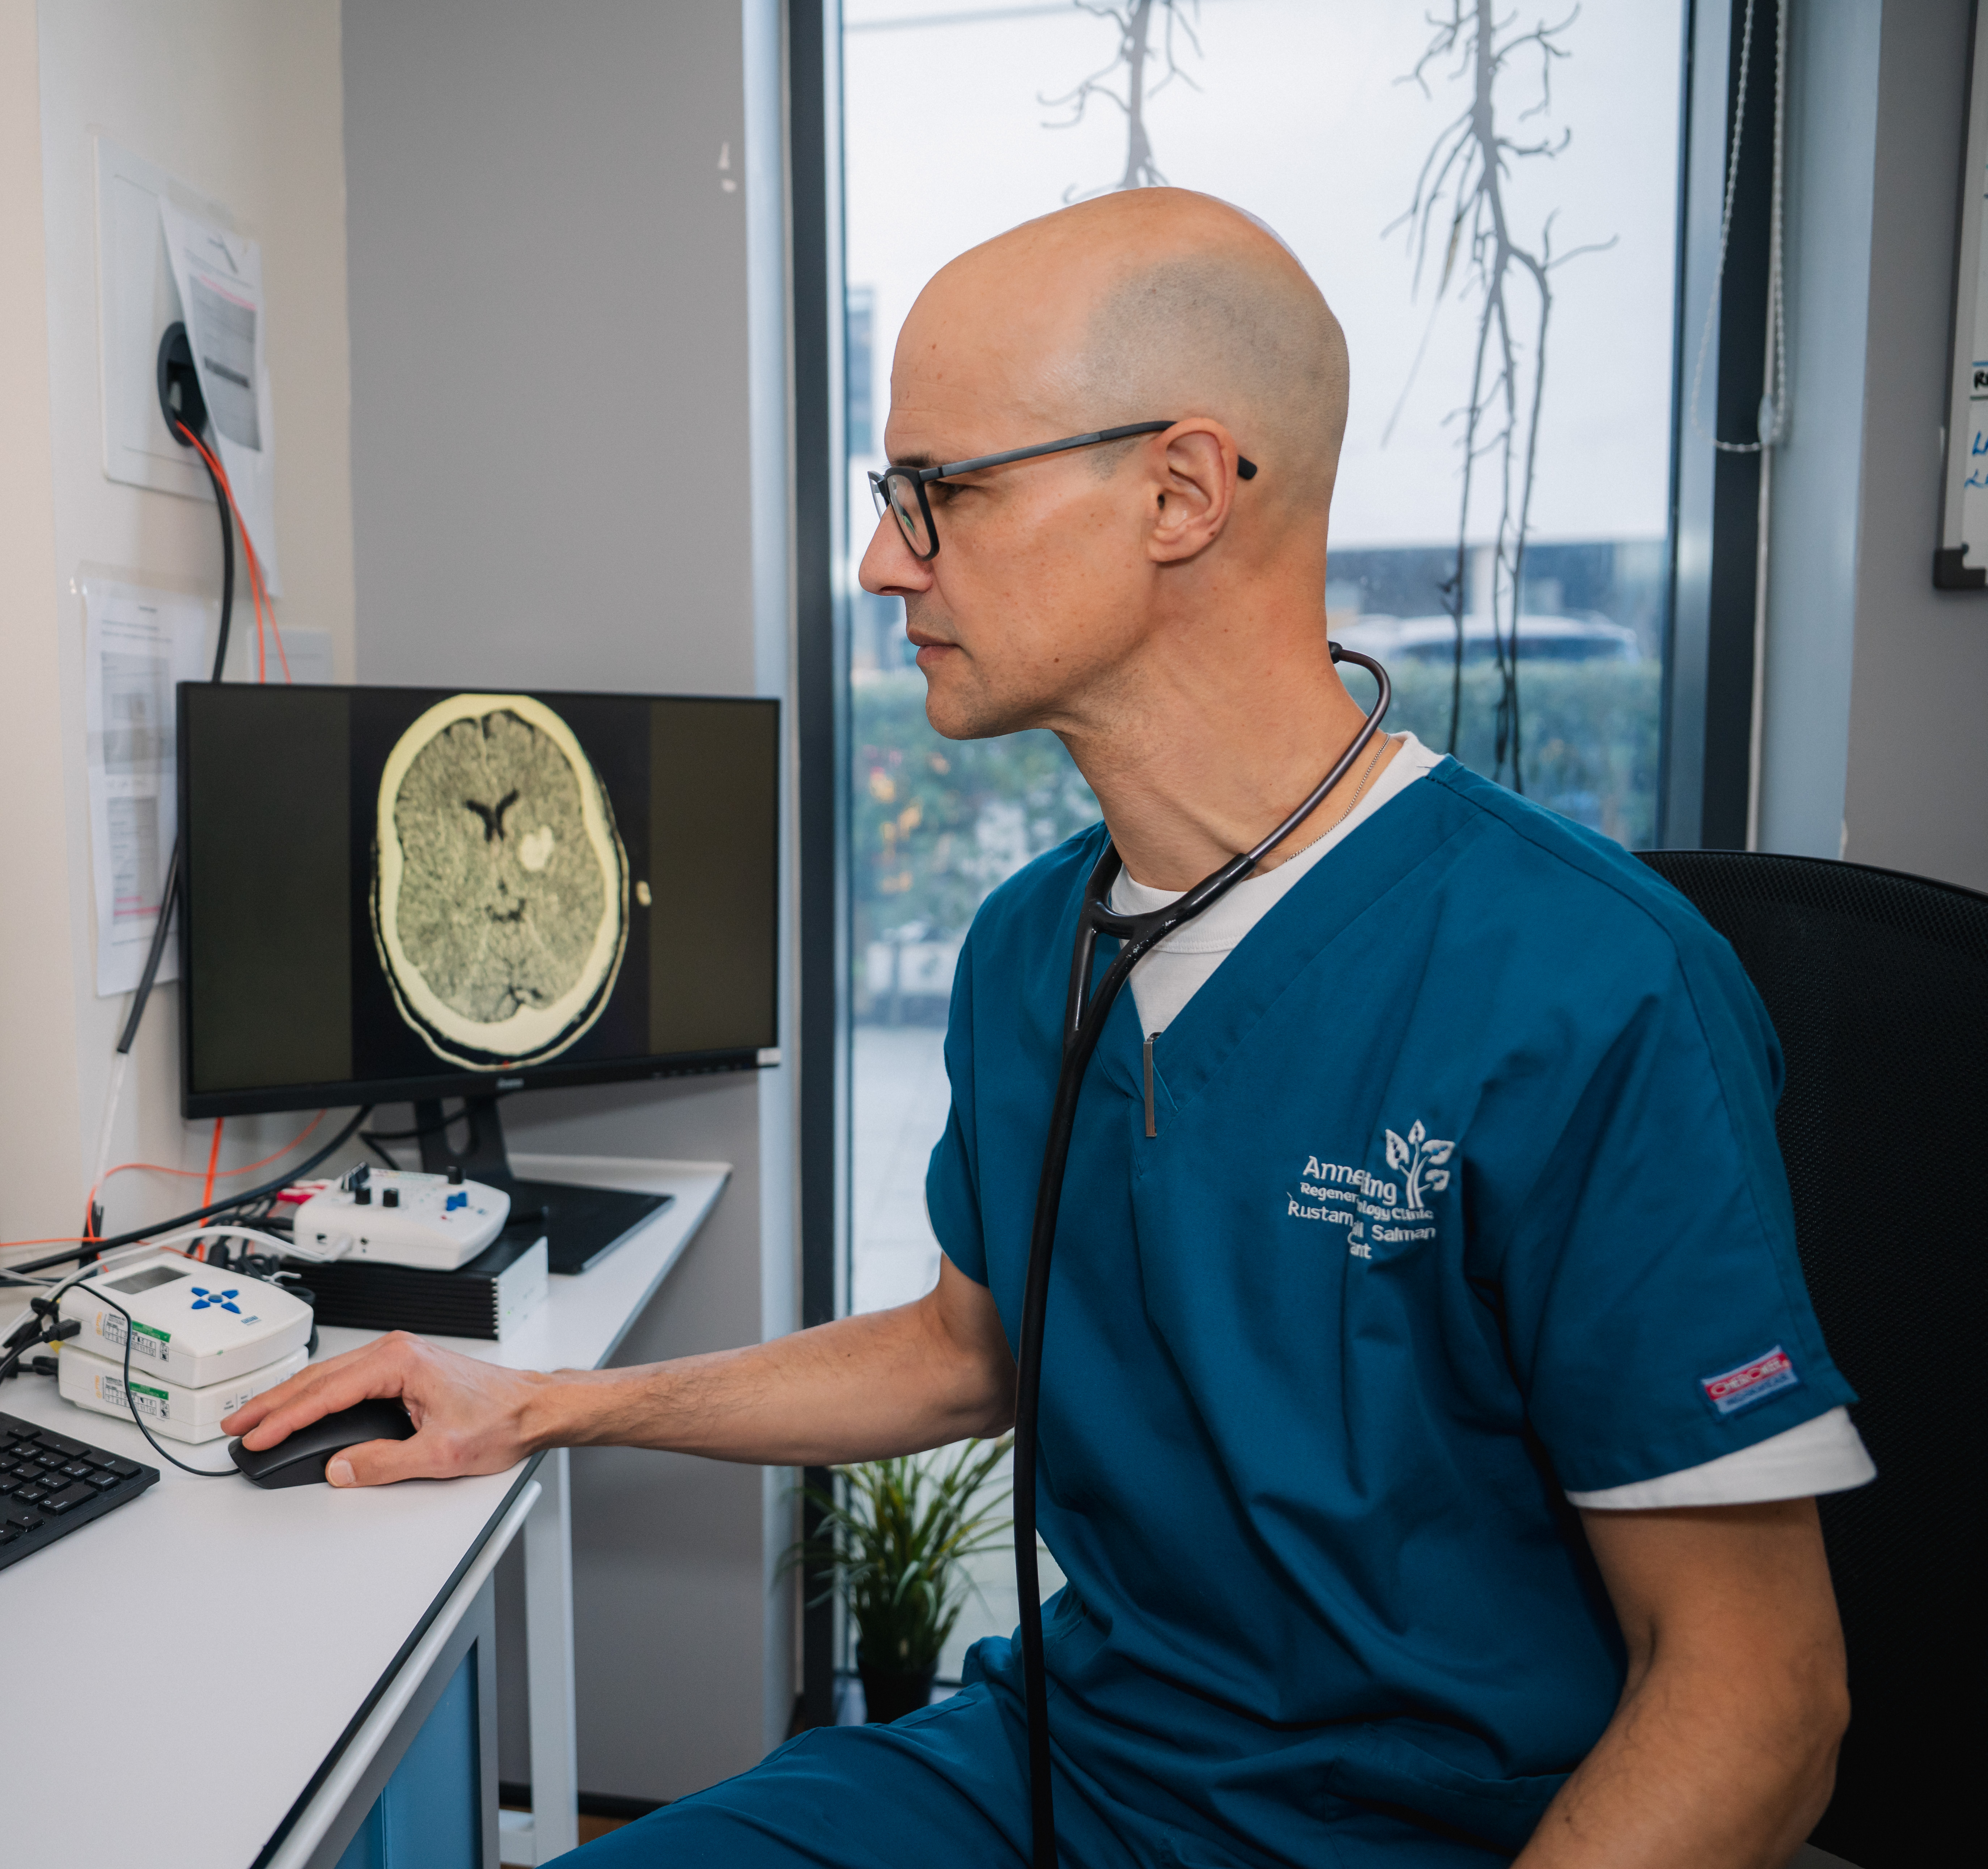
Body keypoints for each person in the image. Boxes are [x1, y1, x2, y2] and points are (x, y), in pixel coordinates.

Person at [222, 189, 1868, 1869]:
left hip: (1425, 1834)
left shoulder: (1588, 983)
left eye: (937, 492)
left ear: (1179, 491)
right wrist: (546, 1402)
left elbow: (1759, 1698)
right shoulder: (1032, 946)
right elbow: (967, 1348)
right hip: (1061, 1763)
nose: (880, 562)